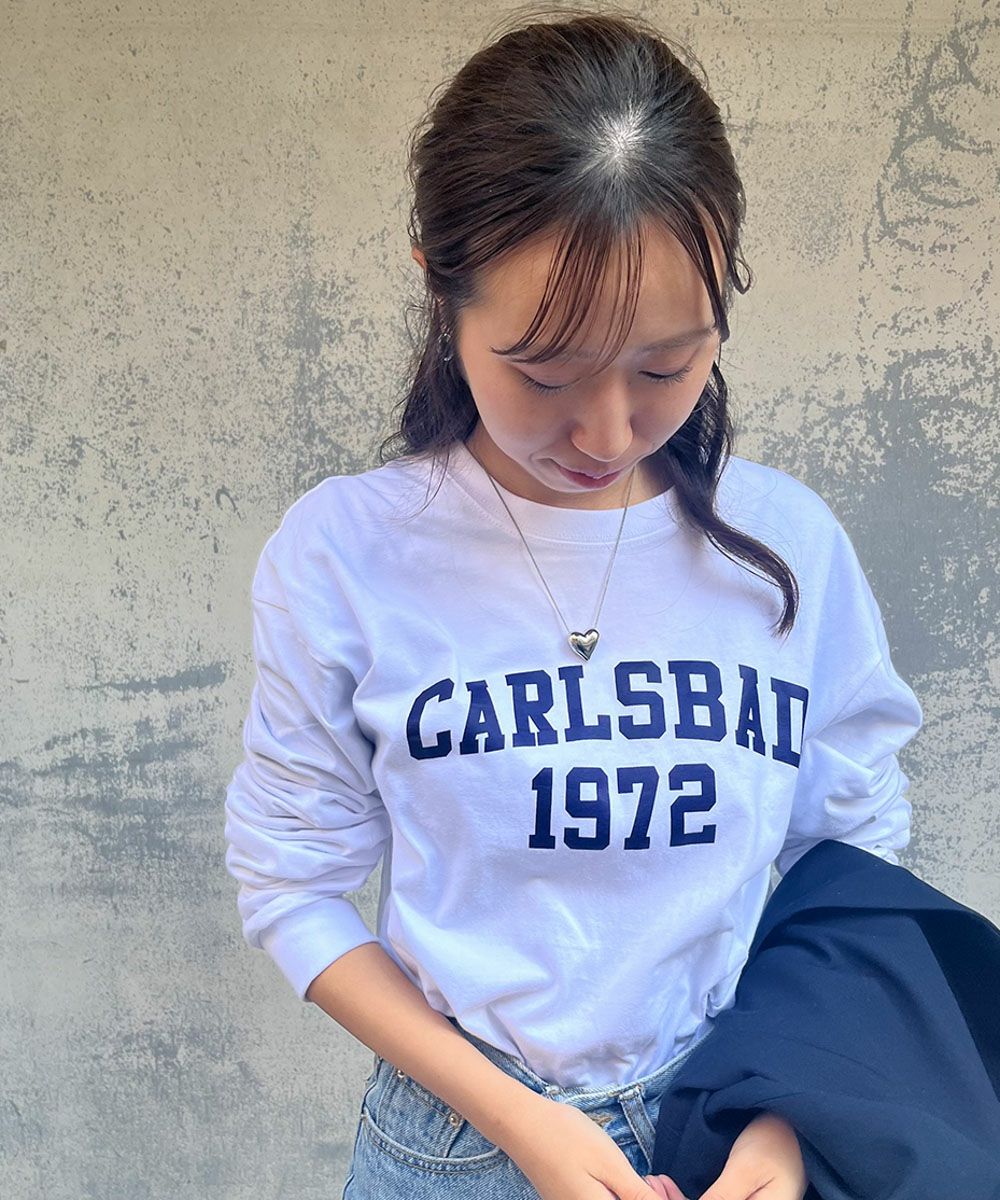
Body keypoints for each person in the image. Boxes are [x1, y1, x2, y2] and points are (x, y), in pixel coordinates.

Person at [223, 7, 923, 1200]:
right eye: (545, 372)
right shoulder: (345, 552)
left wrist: (785, 1117)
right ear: (440, 295)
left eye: (665, 366)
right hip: (457, 1149)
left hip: (734, 1128)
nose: (605, 432)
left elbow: (848, 855)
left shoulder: (789, 544)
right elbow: (292, 887)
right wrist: (523, 1125)